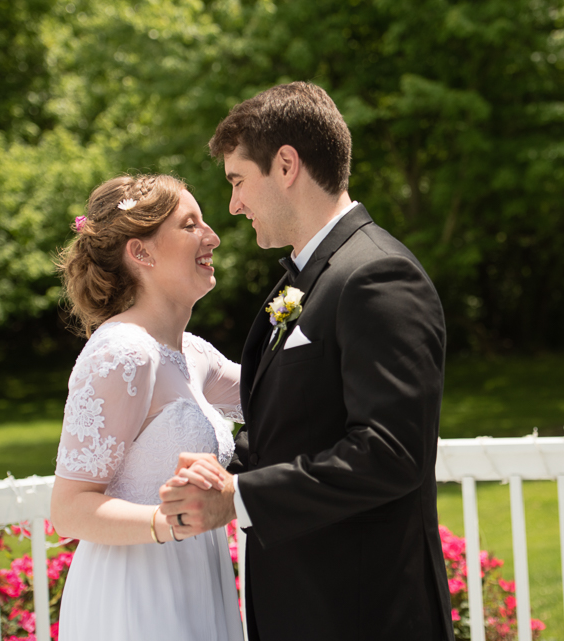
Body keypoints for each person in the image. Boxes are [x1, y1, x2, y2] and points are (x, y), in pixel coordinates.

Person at [159, 82, 455, 641]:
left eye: (238, 180)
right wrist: (226, 472)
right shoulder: (309, 278)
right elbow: (296, 426)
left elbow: (390, 453)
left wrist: (240, 499)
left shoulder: (377, 276)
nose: (234, 205)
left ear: (287, 165)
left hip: (363, 613)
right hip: (304, 607)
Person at [49, 174, 244, 641]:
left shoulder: (193, 354)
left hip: (199, 575)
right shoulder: (121, 353)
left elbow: (282, 393)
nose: (212, 236)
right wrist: (171, 521)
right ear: (141, 253)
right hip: (136, 592)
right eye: (190, 225)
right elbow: (69, 508)